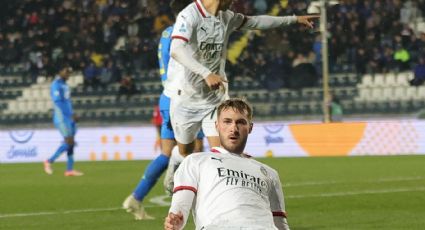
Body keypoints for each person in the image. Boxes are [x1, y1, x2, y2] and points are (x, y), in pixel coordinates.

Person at [166, 0, 318, 190]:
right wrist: (205, 73)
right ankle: (175, 160)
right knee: (185, 151)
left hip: (216, 99)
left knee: (221, 153)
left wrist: (294, 19)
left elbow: (257, 22)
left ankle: (218, 196)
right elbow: (176, 49)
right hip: (187, 98)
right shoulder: (190, 15)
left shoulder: (226, 17)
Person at [121, 0, 204, 220]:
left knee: (167, 154)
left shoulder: (167, 32)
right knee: (196, 151)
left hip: (167, 98)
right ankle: (196, 208)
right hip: (186, 99)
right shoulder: (186, 34)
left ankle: (136, 198)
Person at [164, 98, 289, 230]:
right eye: (227, 122)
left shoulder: (269, 173)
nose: (233, 129)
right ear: (217, 126)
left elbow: (280, 223)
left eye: (240, 122)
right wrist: (176, 218)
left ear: (250, 128)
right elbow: (181, 204)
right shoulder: (196, 161)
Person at [44, 64, 83, 177]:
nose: (68, 74)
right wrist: (70, 115)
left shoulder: (65, 85)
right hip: (62, 118)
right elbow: (58, 103)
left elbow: (67, 102)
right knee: (69, 142)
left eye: (69, 72)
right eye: (66, 72)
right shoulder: (56, 85)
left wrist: (73, 114)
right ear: (60, 71)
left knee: (70, 143)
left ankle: (69, 170)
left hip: (69, 117)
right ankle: (49, 161)